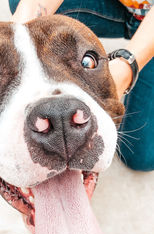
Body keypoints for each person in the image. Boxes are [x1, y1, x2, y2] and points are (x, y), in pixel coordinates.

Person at [9, 0, 154, 171]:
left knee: (140, 158)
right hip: (127, 8)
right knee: (21, 5)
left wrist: (125, 70)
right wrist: (16, 41)